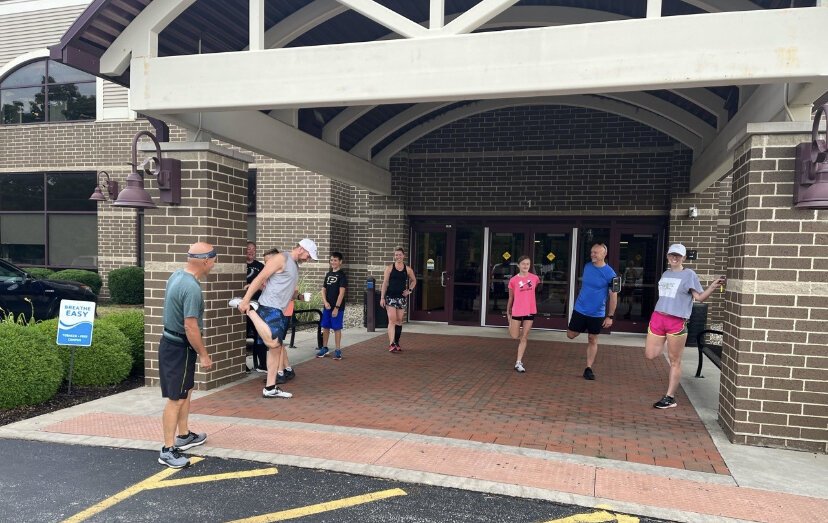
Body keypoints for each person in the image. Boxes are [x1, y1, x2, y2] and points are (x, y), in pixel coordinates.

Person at [234, 239, 318, 398]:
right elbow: (260, 277)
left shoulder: (294, 265)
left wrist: (299, 297)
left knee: (276, 348)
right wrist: (246, 300)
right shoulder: (281, 258)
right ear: (301, 249)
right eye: (308, 255)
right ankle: (251, 310)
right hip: (269, 307)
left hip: (279, 309)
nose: (309, 259)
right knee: (273, 342)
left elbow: (285, 289)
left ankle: (270, 387)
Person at [157, 241, 215, 468]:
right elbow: (190, 326)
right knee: (176, 398)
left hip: (176, 344)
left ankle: (184, 436)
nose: (214, 265)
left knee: (186, 390)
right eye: (213, 261)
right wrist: (204, 354)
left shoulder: (177, 276)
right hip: (178, 347)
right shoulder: (192, 288)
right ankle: (167, 450)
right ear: (205, 261)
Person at [645, 244, 724, 409]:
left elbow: (700, 297)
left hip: (676, 321)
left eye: (678, 256)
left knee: (675, 361)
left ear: (684, 258)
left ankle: (670, 397)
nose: (675, 258)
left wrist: (711, 287)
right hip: (658, 317)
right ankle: (668, 341)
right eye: (672, 255)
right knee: (650, 354)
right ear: (667, 256)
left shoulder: (689, 275)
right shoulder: (665, 273)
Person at [566, 243, 618, 381]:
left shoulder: (611, 274)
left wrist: (610, 316)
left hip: (597, 313)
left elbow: (614, 296)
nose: (593, 255)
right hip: (580, 309)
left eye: (596, 252)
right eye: (592, 252)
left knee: (592, 339)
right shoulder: (587, 266)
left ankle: (588, 368)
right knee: (571, 335)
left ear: (604, 255)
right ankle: (582, 327)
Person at [506, 255, 540, 373]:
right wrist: (508, 311)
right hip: (517, 310)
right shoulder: (513, 280)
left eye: (528, 264)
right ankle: (512, 325)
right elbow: (511, 297)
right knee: (515, 336)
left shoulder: (535, 278)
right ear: (518, 265)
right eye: (523, 264)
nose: (525, 266)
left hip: (530, 310)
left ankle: (518, 362)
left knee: (524, 336)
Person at [380, 246, 416, 352]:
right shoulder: (390, 268)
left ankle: (396, 342)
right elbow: (385, 283)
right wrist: (382, 297)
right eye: (396, 255)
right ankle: (391, 344)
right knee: (392, 319)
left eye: (400, 254)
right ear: (394, 256)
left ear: (403, 256)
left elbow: (414, 281)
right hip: (390, 297)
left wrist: (409, 290)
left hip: (401, 298)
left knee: (399, 321)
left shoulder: (408, 269)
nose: (398, 256)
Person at [317, 251, 348, 360]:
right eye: (331, 260)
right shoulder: (329, 274)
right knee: (325, 327)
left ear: (340, 262)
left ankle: (338, 350)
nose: (333, 262)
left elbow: (342, 293)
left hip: (337, 308)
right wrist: (325, 302)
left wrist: (336, 307)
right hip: (327, 306)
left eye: (335, 260)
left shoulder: (342, 275)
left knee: (336, 328)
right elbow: (323, 289)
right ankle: (325, 348)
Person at [244, 241, 267, 373]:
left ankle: (262, 364)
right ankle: (243, 365)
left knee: (260, 334)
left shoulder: (260, 266)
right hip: (242, 306)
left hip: (257, 306)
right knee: (243, 335)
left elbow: (265, 284)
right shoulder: (239, 265)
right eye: (248, 249)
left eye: (253, 249)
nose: (251, 251)